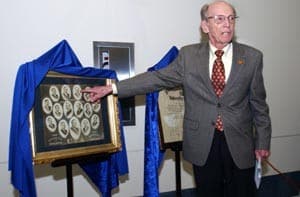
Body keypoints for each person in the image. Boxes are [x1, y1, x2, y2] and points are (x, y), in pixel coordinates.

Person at [82, 1, 272, 196]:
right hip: (202, 143)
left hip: (240, 143)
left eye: (231, 18)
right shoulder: (188, 56)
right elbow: (157, 78)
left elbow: (259, 105)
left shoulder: (252, 57)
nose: (227, 24)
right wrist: (112, 88)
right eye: (220, 19)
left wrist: (263, 143)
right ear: (205, 26)